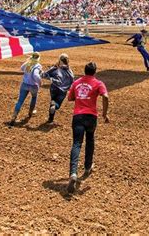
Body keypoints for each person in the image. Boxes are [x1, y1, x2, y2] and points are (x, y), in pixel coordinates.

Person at [67, 62, 109, 194]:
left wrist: (80, 97)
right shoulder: (98, 83)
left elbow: (70, 98)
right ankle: (87, 167)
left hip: (78, 116)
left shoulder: (76, 82)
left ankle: (73, 173)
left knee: (76, 144)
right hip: (91, 117)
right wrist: (105, 114)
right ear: (94, 72)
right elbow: (106, 96)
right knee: (90, 141)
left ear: (84, 71)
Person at [9, 52, 42, 126]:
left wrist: (28, 61)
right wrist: (39, 82)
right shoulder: (38, 65)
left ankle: (14, 116)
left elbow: (21, 68)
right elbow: (36, 75)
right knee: (34, 98)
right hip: (33, 86)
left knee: (20, 101)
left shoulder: (28, 63)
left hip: (24, 84)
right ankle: (30, 113)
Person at [41, 53, 74, 123]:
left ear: (59, 60)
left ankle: (50, 119)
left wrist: (47, 76)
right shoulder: (69, 71)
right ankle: (55, 106)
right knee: (57, 103)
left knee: (53, 100)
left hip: (54, 88)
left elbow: (44, 75)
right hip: (63, 90)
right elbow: (72, 80)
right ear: (67, 61)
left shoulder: (55, 68)